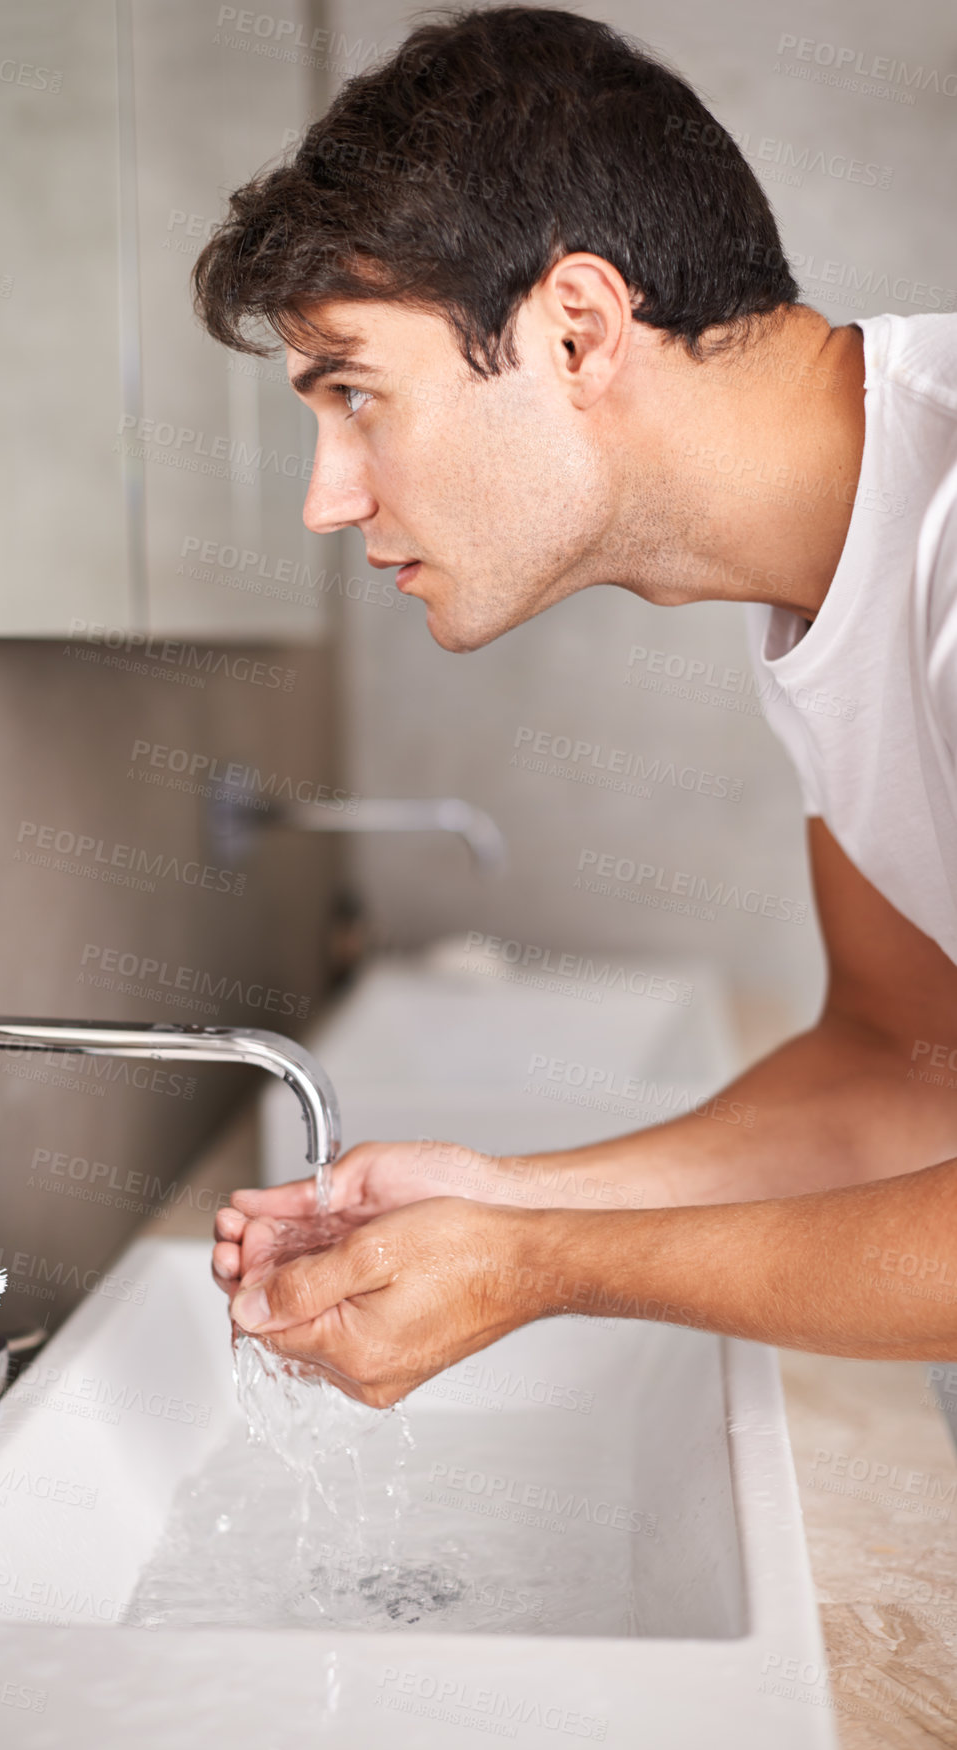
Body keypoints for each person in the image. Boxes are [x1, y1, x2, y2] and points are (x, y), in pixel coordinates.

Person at [198, 6, 957, 1405]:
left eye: (356, 392)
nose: (327, 496)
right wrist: (504, 1201)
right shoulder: (822, 575)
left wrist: (540, 1265)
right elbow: (898, 1076)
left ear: (577, 330)